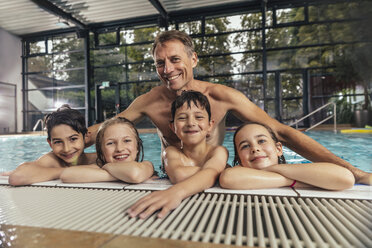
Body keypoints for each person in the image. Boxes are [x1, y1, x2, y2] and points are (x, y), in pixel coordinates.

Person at [85, 30, 371, 185]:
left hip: (221, 175)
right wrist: (71, 138)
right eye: (160, 63)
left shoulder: (222, 96)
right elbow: (109, 129)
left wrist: (356, 173)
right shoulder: (150, 100)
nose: (167, 69)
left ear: (193, 59)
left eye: (174, 59)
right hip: (174, 175)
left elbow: (281, 133)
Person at [127, 90, 228, 219]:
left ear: (210, 125)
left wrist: (176, 192)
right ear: (173, 127)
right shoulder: (170, 152)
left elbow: (210, 172)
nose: (191, 123)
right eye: (182, 118)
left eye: (199, 117)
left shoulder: (218, 151)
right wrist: (214, 174)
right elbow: (178, 175)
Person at [219, 122, 355, 190]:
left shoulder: (295, 170)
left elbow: (346, 178)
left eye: (261, 141)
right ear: (238, 159)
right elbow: (228, 177)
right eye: (245, 146)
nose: (255, 148)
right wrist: (289, 181)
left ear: (278, 149)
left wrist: (273, 170)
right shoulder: (235, 172)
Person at [7, 105, 96, 186]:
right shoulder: (53, 160)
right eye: (58, 142)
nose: (66, 149)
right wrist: (70, 171)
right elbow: (16, 178)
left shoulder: (97, 158)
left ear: (86, 137)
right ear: (50, 143)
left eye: (73, 139)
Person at [60, 117, 154, 183]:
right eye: (110, 143)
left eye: (127, 141)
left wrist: (107, 167)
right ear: (101, 152)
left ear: (137, 147)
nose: (120, 149)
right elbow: (66, 174)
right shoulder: (101, 166)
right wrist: (118, 174)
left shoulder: (146, 165)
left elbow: (134, 174)